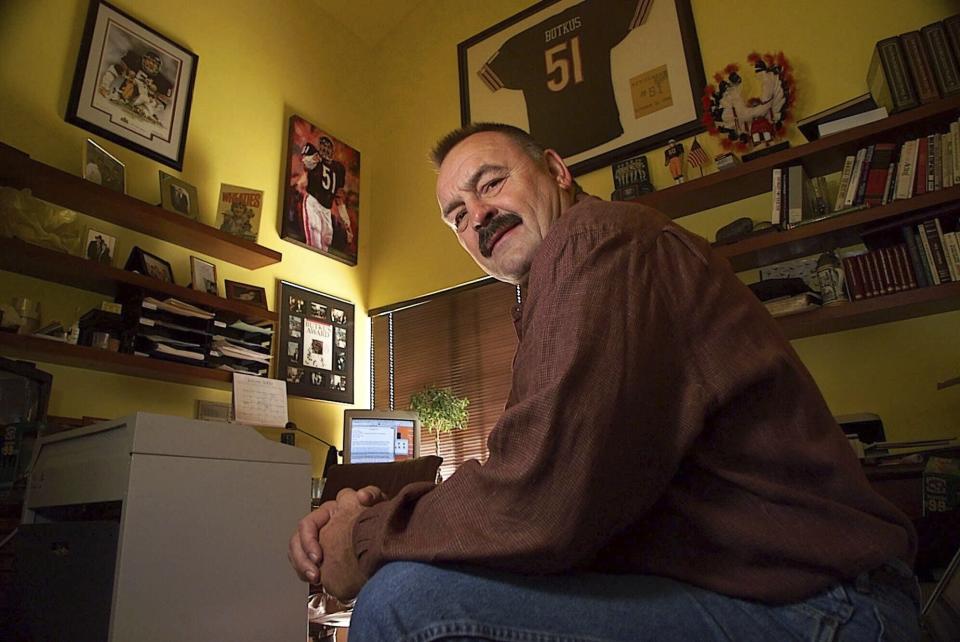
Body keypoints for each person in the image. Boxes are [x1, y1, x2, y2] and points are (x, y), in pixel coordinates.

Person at [289, 123, 920, 641]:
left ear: (558, 171)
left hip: (826, 606)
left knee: (404, 604)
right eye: (457, 213)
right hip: (768, 594)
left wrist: (368, 538)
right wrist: (397, 525)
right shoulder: (557, 284)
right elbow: (555, 491)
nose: (477, 215)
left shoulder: (597, 240)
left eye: (492, 183)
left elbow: (538, 497)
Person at [300, 138, 348, 252]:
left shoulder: (338, 168)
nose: (325, 149)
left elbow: (338, 195)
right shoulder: (315, 157)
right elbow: (306, 164)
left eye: (328, 147)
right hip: (313, 202)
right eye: (323, 146)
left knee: (326, 240)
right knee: (314, 238)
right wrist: (313, 159)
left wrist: (345, 219)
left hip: (327, 209)